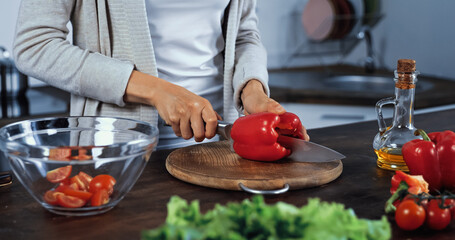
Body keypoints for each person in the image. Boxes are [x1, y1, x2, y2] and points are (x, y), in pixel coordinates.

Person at [13, 0, 309, 149]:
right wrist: (156, 90)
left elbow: (244, 34)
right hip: (119, 154)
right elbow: (34, 45)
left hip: (222, 145)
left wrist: (252, 91)